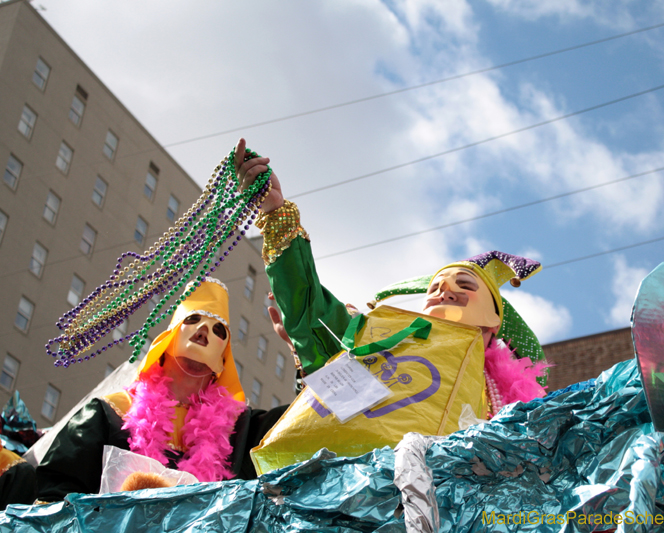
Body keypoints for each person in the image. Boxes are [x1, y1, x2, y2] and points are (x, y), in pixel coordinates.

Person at [235, 140, 549, 417]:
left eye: (465, 286)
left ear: (494, 322)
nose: (446, 292)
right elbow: (313, 315)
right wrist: (276, 214)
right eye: (436, 288)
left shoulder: (513, 407)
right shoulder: (383, 345)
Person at [35, 278, 287, 502]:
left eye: (217, 330)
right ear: (170, 337)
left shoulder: (241, 431)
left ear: (223, 359)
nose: (202, 333)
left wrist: (303, 348)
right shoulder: (109, 414)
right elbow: (56, 494)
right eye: (193, 320)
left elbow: (306, 423)